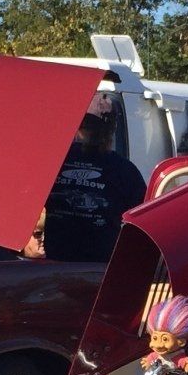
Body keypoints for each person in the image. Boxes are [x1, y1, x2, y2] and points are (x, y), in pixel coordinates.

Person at [39, 92, 145, 263]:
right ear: (112, 129)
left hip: (55, 267)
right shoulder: (125, 170)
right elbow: (140, 225)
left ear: (77, 125)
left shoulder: (54, 163)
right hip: (99, 271)